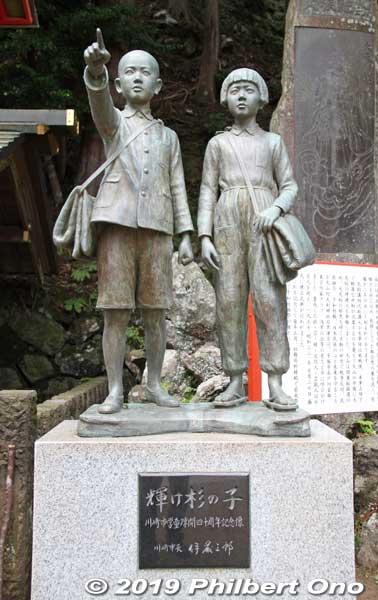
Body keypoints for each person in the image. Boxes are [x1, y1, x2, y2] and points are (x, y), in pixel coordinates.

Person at [84, 29, 194, 414]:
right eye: (128, 71)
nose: (135, 77)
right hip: (116, 225)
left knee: (155, 312)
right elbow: (99, 104)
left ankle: (154, 384)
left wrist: (186, 233)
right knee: (114, 310)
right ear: (118, 82)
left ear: (158, 84)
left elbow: (178, 186)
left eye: (143, 72)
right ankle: (115, 390)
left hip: (158, 229)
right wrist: (95, 72)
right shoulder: (114, 125)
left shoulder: (168, 137)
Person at [198, 68, 298, 410]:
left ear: (262, 98)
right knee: (229, 301)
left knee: (269, 300)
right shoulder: (218, 144)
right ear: (226, 98)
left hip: (264, 224)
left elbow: (289, 185)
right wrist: (204, 235)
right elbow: (207, 190)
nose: (241, 95)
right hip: (227, 221)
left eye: (248, 90)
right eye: (235, 90)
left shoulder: (273, 142)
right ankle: (235, 379)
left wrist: (278, 208)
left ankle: (275, 381)